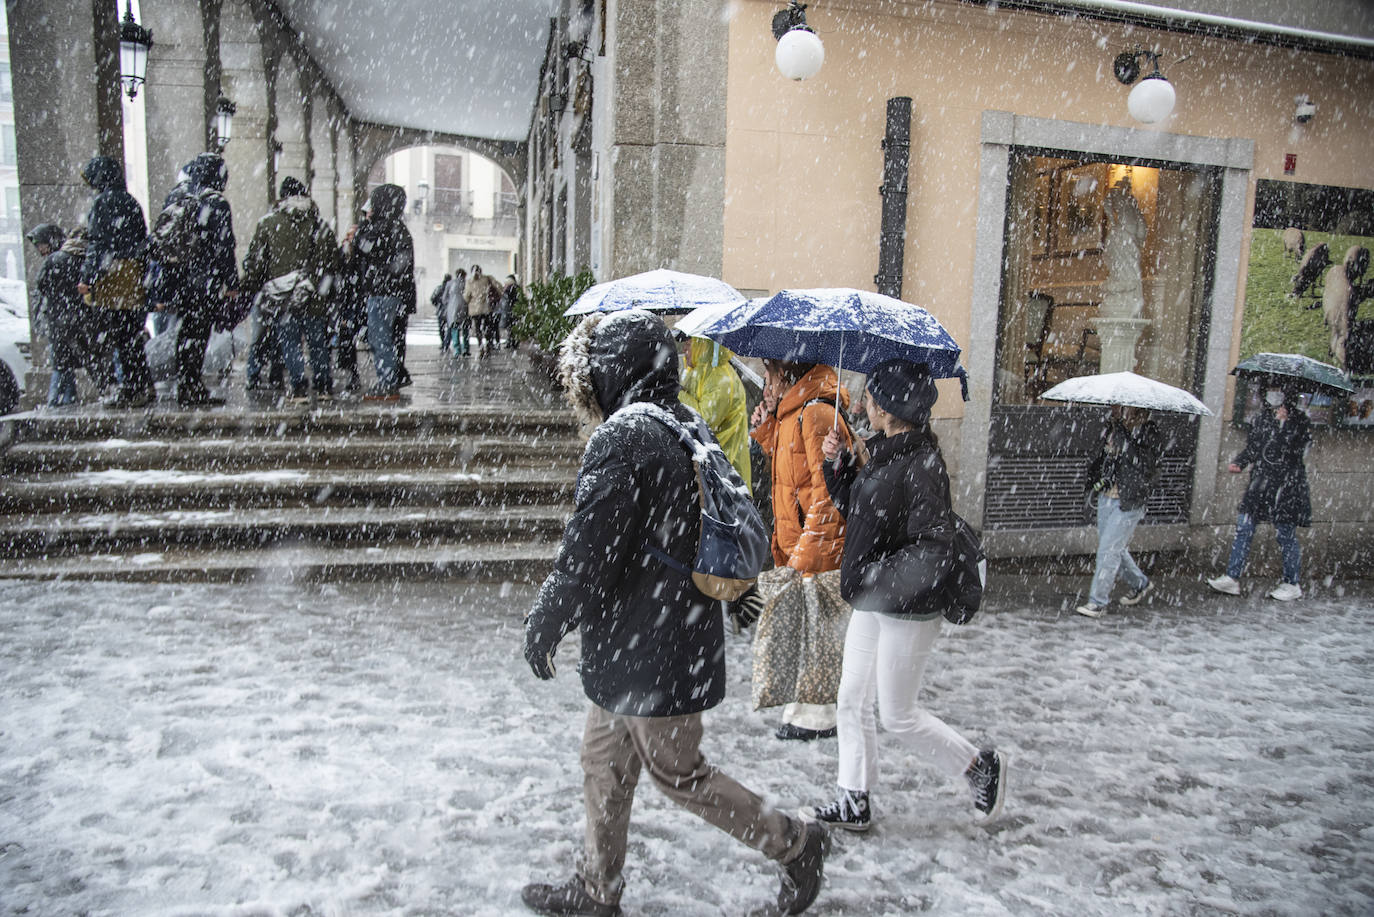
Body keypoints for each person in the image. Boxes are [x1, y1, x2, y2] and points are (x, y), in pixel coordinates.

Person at [521, 309, 829, 917]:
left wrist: (547, 620)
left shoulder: (625, 438)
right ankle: (596, 890)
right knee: (603, 763)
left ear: (614, 371)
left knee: (676, 773)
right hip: (654, 638)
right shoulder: (684, 423)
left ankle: (796, 843)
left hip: (651, 648)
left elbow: (589, 553)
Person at [804, 359, 1007, 832]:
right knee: (851, 698)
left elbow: (930, 548)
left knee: (897, 714)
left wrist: (878, 577)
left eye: (873, 396)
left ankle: (978, 767)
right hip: (875, 598)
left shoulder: (922, 464)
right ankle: (853, 799)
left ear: (891, 408)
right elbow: (861, 512)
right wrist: (839, 465)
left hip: (906, 608)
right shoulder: (885, 452)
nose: (867, 402)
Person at [749, 358, 851, 741]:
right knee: (810, 631)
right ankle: (808, 712)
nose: (765, 387)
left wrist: (806, 555)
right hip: (798, 545)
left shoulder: (815, 413)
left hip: (816, 548)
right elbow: (793, 473)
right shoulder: (794, 412)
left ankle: (818, 718)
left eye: (769, 377)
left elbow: (825, 497)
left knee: (819, 632)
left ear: (786, 375)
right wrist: (766, 430)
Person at [241, 177, 342, 402]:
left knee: (290, 342)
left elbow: (256, 262)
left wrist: (250, 283)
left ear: (282, 198)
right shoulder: (320, 225)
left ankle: (298, 388)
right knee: (317, 342)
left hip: (283, 296)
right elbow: (333, 262)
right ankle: (324, 386)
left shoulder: (268, 224)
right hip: (314, 294)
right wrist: (317, 283)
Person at [1207, 386, 1312, 601]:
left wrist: (1284, 426)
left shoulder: (1300, 421)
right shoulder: (1264, 417)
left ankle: (1291, 583)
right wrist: (1240, 461)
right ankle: (1232, 577)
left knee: (1285, 533)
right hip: (1261, 482)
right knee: (1244, 527)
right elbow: (1255, 446)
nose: (1275, 397)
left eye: (1280, 393)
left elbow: (1297, 451)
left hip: (1287, 485)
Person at [75, 155, 153, 408]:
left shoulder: (102, 203)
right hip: (133, 275)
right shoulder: (131, 201)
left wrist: (88, 277)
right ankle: (142, 384)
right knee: (131, 334)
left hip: (114, 277)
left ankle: (132, 388)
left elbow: (98, 244)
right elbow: (142, 240)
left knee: (121, 337)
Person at [166, 153, 238, 407]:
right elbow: (224, 247)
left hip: (180, 279)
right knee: (198, 332)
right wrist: (231, 282)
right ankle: (192, 384)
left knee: (186, 332)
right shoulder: (216, 203)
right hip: (205, 280)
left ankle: (186, 383)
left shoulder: (177, 197)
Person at [1075, 405, 1161, 617]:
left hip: (1129, 501)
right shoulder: (1112, 427)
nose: (1114, 409)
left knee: (1108, 551)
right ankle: (1140, 583)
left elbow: (1145, 466)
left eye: (1120, 406)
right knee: (1114, 548)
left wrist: (1124, 439)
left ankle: (1098, 602)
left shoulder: (1147, 431)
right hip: (1107, 497)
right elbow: (1103, 459)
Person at [344, 184, 414, 400]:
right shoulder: (398, 228)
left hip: (382, 292)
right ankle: (392, 378)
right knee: (387, 338)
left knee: (380, 338)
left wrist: (357, 237)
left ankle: (387, 383)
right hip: (394, 293)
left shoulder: (384, 228)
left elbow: (369, 249)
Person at [679, 336, 750, 491]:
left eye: (689, 344)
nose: (684, 350)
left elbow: (702, 421)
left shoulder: (720, 377)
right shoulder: (699, 373)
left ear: (702, 346)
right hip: (714, 470)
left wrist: (679, 394)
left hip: (727, 473)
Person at [28, 223, 85, 406]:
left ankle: (57, 402)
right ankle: (68, 401)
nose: (40, 249)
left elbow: (41, 287)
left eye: (41, 244)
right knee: (66, 364)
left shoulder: (53, 261)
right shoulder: (75, 258)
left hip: (58, 320)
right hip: (74, 318)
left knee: (61, 365)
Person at [464, 264, 500, 356]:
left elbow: (467, 296)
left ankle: (481, 347)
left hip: (475, 309)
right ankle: (488, 345)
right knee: (488, 328)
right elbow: (498, 286)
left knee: (477, 329)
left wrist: (468, 301)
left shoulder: (470, 282)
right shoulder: (486, 279)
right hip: (486, 308)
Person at [444, 267, 469, 356]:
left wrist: (450, 303)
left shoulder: (450, 283)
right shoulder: (467, 283)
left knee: (455, 329)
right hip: (465, 308)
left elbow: (444, 298)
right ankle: (466, 348)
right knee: (466, 329)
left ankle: (457, 349)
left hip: (453, 310)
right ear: (465, 275)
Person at [499, 273, 523, 349]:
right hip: (514, 310)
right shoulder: (516, 288)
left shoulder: (510, 289)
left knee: (511, 328)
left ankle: (512, 342)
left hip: (510, 310)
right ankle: (513, 342)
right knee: (512, 327)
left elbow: (508, 299)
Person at [430, 272, 451, 352]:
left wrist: (438, 304)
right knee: (449, 328)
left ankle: (443, 343)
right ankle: (446, 343)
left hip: (441, 310)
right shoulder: (451, 288)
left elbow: (432, 298)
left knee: (441, 328)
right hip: (450, 311)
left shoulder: (439, 288)